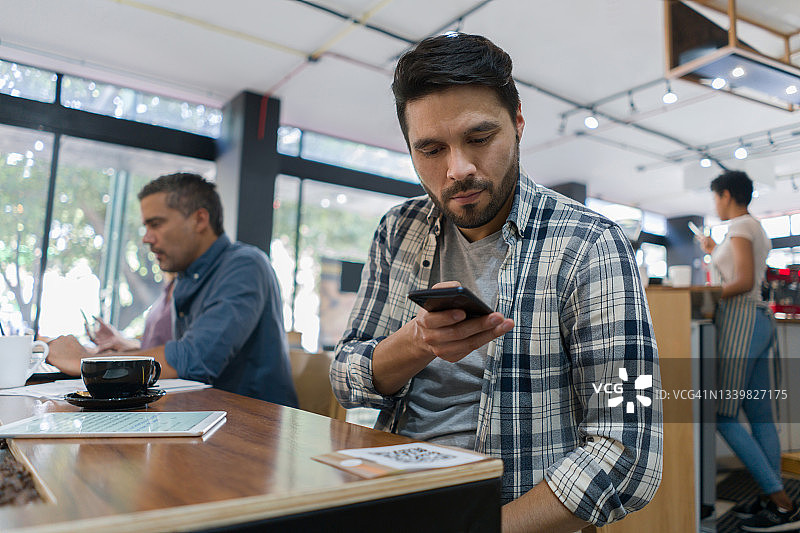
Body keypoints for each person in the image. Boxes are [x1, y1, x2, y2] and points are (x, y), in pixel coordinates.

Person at [330, 33, 662, 532]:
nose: (458, 169)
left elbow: (628, 451)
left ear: (519, 122)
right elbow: (345, 379)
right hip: (392, 496)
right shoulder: (399, 231)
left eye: (479, 139)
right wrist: (415, 342)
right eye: (431, 149)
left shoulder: (591, 246)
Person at [47, 173, 298, 407]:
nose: (146, 238)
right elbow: (184, 352)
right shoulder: (186, 277)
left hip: (255, 427)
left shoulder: (245, 265)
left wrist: (84, 362)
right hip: (205, 414)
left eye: (156, 224)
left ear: (200, 219)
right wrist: (125, 350)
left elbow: (194, 359)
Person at [700, 170, 798, 532]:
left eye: (716, 198)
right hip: (758, 321)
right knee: (760, 418)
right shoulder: (751, 227)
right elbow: (746, 274)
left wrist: (704, 295)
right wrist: (713, 252)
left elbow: (740, 282)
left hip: (742, 321)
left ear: (726, 195)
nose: (716, 205)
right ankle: (771, 498)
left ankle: (781, 501)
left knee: (722, 414)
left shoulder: (740, 226)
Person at [89, 272, 176, 352]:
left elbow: (177, 356)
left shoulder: (183, 292)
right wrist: (119, 341)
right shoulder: (168, 289)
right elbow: (151, 347)